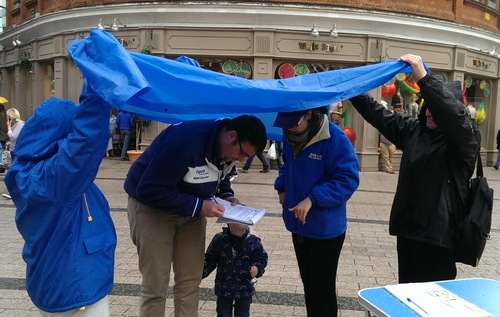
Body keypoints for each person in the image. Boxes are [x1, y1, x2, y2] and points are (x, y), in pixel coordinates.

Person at [349, 54, 479, 283]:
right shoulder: (413, 131)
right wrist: (349, 87)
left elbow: (454, 119)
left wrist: (424, 78)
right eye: (427, 106)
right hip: (408, 231)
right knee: (407, 295)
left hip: (438, 237)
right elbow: (376, 113)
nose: (429, 112)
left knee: (432, 301)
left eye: (435, 109)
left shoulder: (463, 141)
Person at [125, 114, 267, 317]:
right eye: (242, 153)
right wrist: (199, 206)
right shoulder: (184, 142)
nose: (241, 160)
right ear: (231, 136)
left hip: (192, 212)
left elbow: (222, 174)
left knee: (190, 282)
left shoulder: (227, 151)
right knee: (156, 285)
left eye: (247, 157)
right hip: (152, 208)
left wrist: (226, 195)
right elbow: (148, 189)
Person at [4, 83, 117, 316]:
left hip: (56, 280)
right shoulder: (54, 177)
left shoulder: (29, 170)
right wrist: (98, 81)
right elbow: (87, 140)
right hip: (76, 285)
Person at [273, 106, 359, 317]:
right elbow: (287, 164)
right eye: (285, 125)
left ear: (309, 114)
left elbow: (348, 179)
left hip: (325, 230)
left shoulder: (334, 138)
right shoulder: (289, 135)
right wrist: (282, 186)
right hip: (298, 224)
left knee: (322, 289)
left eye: (294, 124)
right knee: (309, 285)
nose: (290, 129)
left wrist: (313, 198)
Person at [203, 223, 268, 317]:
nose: (239, 223)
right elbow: (210, 259)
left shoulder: (253, 241)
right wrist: (200, 273)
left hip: (244, 287)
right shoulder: (220, 239)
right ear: (228, 222)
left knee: (242, 313)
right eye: (235, 220)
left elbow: (261, 258)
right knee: (223, 313)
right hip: (224, 287)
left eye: (243, 221)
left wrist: (257, 268)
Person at [378, 101, 396, 174]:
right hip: (383, 142)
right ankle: (388, 168)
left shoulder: (394, 124)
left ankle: (390, 167)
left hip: (391, 142)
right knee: (386, 156)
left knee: (391, 155)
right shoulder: (381, 123)